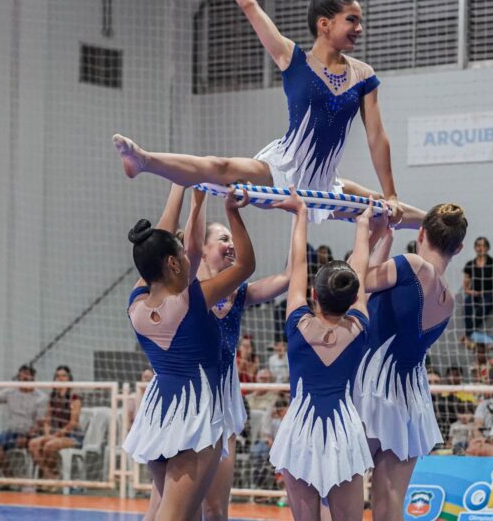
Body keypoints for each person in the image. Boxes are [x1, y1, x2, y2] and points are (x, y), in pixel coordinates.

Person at [113, 0, 426, 226]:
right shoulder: (292, 58)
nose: (360, 28)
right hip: (282, 171)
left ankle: (435, 225)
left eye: (360, 21)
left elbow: (377, 136)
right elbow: (250, 6)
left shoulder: (363, 75)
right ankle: (144, 160)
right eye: (352, 20)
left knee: (382, 208)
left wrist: (392, 194)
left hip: (324, 184)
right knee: (220, 166)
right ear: (324, 24)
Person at [123, 187, 255, 520]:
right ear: (172, 262)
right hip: (194, 416)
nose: (188, 257)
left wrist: (179, 187)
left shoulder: (136, 303)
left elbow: (163, 241)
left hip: (158, 416)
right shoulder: (193, 301)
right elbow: (246, 264)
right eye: (181, 254)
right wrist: (224, 208)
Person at [354, 203, 468, 521]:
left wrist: (367, 230)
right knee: (389, 501)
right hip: (410, 401)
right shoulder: (448, 299)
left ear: (420, 234)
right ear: (458, 248)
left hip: (372, 390)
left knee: (337, 493)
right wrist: (387, 236)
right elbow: (374, 295)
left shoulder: (413, 265)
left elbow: (355, 280)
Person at [268, 187, 375, 519]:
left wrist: (300, 215)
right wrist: (363, 225)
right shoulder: (359, 326)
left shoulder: (297, 322)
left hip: (300, 428)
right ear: (353, 299)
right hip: (343, 429)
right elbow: (360, 270)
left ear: (313, 294)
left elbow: (298, 265)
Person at [192, 204, 294, 521]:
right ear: (202, 249)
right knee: (179, 509)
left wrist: (299, 216)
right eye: (223, 239)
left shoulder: (240, 294)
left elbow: (288, 277)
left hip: (222, 406)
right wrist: (197, 196)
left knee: (215, 510)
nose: (232, 245)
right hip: (189, 402)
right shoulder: (186, 290)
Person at [28, 365, 83, 479]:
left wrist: (55, 436)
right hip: (55, 434)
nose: (60, 378)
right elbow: (47, 420)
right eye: (58, 376)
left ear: (69, 379)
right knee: (33, 444)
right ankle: (50, 475)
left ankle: (54, 474)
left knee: (49, 446)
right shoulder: (52, 397)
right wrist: (47, 434)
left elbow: (73, 423)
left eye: (63, 376)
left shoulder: (74, 398)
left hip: (71, 436)